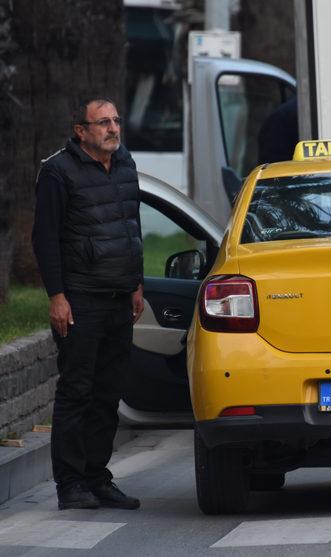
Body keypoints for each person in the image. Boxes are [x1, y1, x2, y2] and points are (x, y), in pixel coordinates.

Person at [32, 98, 144, 510]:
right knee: (77, 391)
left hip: (119, 297)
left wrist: (136, 284)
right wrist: (57, 296)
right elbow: (44, 239)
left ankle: (98, 477)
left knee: (108, 394)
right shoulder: (58, 172)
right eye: (103, 123)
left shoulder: (126, 165)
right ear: (81, 130)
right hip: (80, 299)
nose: (113, 129)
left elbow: (132, 229)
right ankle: (71, 484)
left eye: (116, 120)